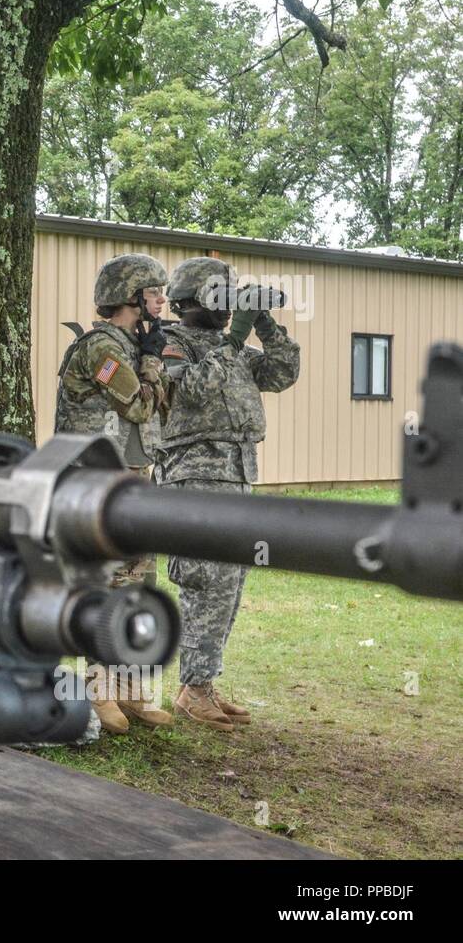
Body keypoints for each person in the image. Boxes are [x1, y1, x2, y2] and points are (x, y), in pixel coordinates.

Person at [157, 257, 300, 731]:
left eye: (229, 300)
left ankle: (198, 684)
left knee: (229, 585)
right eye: (218, 300)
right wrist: (236, 336)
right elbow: (193, 392)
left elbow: (282, 374)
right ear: (188, 302)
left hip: (237, 473)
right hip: (193, 476)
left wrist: (263, 322)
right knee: (205, 580)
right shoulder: (169, 344)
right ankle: (194, 688)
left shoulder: (230, 345)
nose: (225, 310)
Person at [54, 252, 173, 734]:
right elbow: (139, 406)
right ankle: (99, 688)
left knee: (140, 580)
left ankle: (131, 688)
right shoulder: (101, 349)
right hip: (99, 483)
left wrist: (149, 360)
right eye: (154, 293)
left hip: (133, 477)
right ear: (130, 298)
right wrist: (149, 361)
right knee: (104, 580)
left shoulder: (128, 343)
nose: (163, 300)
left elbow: (156, 404)